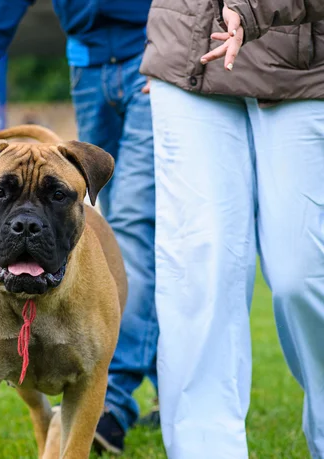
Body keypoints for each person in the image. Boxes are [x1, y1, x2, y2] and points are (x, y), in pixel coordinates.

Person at [0, 0, 157, 453]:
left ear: (82, 193)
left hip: (157, 53)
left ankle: (113, 405)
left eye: (57, 197)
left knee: (135, 218)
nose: (25, 223)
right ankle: (43, 413)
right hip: (87, 56)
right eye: (1, 194)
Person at [140, 1, 324, 457]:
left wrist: (251, 8)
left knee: (302, 275)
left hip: (306, 66)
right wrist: (163, 46)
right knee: (201, 270)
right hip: (190, 59)